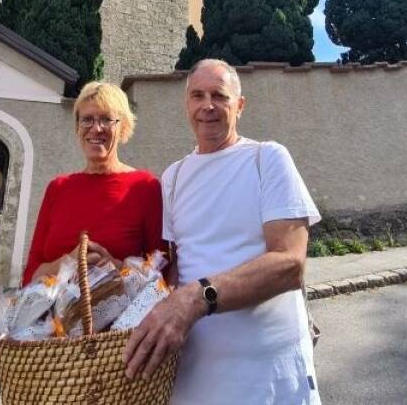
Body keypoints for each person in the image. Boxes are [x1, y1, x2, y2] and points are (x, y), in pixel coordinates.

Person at [123, 59, 322, 404]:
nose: (207, 106)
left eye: (219, 95)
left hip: (268, 375)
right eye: (197, 96)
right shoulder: (173, 176)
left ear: (240, 106)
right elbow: (173, 267)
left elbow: (290, 264)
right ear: (187, 105)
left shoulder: (267, 159)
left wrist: (196, 298)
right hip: (192, 374)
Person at [22, 81, 165, 284]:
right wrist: (71, 261)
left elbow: (161, 274)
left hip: (120, 314)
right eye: (87, 119)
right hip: (55, 316)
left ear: (123, 127)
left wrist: (116, 267)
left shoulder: (145, 187)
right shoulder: (57, 188)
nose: (96, 129)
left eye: (107, 119)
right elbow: (30, 275)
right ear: (77, 128)